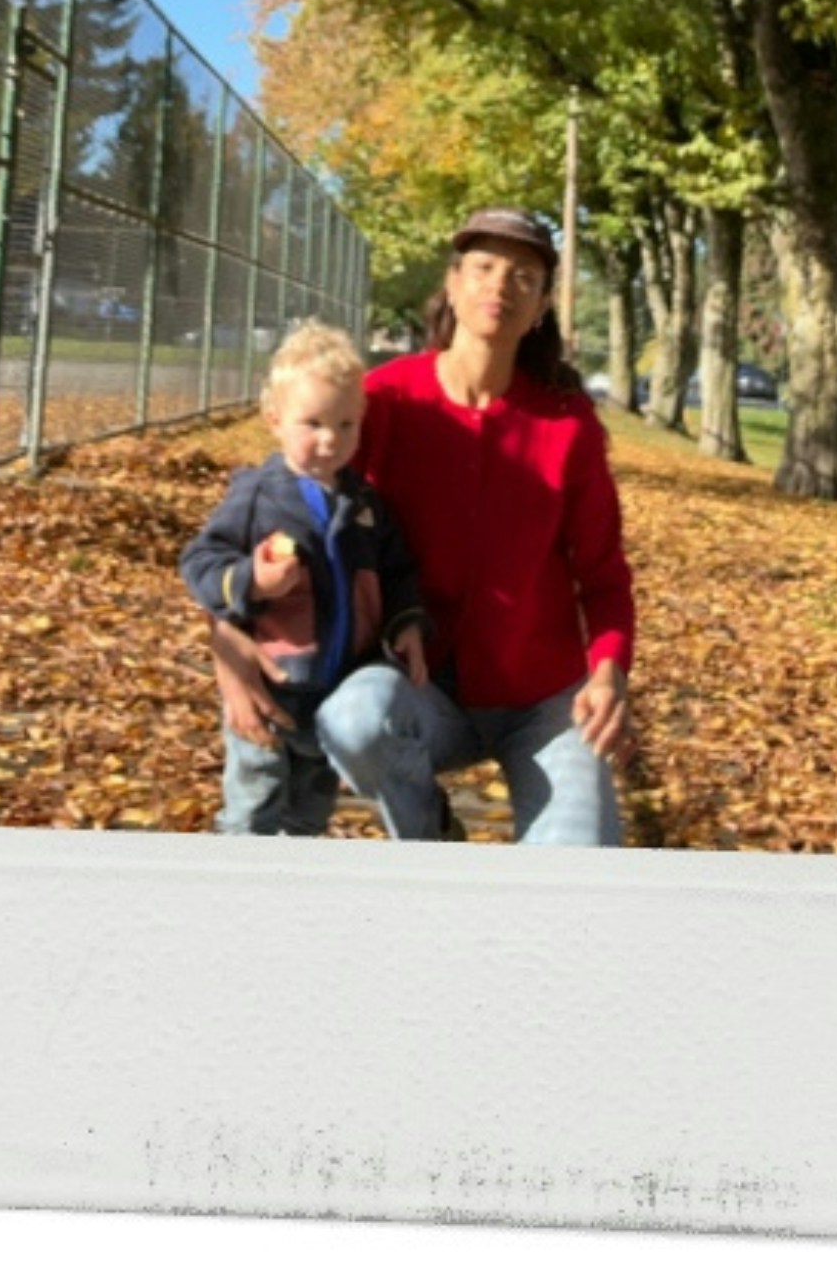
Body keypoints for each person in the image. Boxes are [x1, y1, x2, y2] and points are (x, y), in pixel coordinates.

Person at [229, 208, 637, 848]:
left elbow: (604, 576)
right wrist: (230, 652)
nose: (500, 285)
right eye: (483, 267)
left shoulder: (568, 424)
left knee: (579, 873)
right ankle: (431, 846)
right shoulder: (384, 401)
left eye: (524, 275)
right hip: (417, 685)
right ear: (452, 284)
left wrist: (610, 669)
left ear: (541, 306)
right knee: (353, 720)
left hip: (543, 703)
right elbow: (276, 516)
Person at [182, 323, 441, 840]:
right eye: (313, 423)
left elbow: (397, 572)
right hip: (272, 691)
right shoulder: (257, 494)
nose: (331, 440)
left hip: (334, 693)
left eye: (347, 425)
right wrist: (252, 581)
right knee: (253, 806)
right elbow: (201, 560)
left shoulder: (365, 505)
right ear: (274, 419)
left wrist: (407, 623)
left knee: (309, 814)